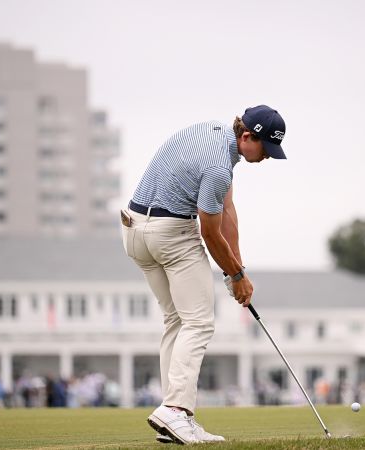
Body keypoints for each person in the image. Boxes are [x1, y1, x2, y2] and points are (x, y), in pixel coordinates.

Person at [121, 105, 287, 444]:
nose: (267, 157)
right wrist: (237, 276)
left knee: (177, 321)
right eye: (266, 148)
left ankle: (173, 418)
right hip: (169, 233)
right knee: (199, 323)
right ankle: (176, 411)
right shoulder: (217, 169)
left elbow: (226, 209)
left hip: (135, 230)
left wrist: (237, 270)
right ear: (246, 137)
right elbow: (211, 235)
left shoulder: (213, 134)